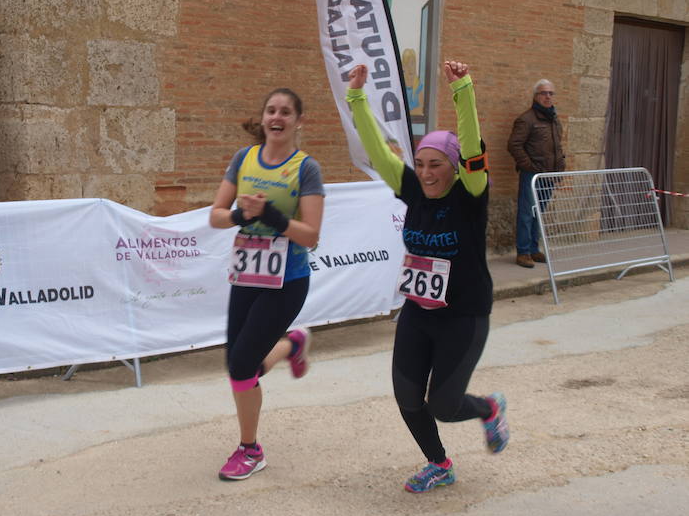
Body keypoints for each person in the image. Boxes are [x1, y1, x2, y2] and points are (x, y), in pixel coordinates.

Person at [345, 60, 508, 493]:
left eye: (436, 164)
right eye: (420, 164)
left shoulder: (470, 194)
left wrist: (463, 91)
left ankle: (488, 408)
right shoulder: (414, 189)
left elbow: (472, 147)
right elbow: (378, 152)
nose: (427, 173)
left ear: (454, 168)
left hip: (464, 315)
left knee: (443, 405)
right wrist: (357, 98)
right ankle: (439, 463)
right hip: (419, 311)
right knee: (407, 397)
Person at [209, 87, 325, 481]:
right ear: (263, 119)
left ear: (297, 121)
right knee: (237, 364)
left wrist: (272, 216)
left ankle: (250, 450)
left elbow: (310, 236)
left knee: (241, 365)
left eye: (286, 112)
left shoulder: (305, 168)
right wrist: (243, 213)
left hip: (286, 281)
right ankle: (292, 343)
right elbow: (216, 217)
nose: (277, 117)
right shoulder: (243, 159)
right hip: (246, 276)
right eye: (271, 110)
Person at [507, 79, 565, 268]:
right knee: (526, 214)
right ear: (535, 96)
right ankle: (523, 252)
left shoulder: (554, 119)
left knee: (538, 213)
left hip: (548, 176)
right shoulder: (526, 119)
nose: (547, 96)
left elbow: (558, 146)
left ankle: (534, 249)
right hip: (531, 176)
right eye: (543, 93)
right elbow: (514, 145)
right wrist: (529, 166)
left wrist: (560, 169)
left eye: (550, 93)